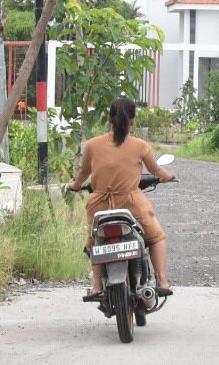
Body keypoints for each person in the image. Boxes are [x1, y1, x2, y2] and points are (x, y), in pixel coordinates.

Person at [67, 97, 176, 307]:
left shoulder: (91, 145)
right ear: (132, 121)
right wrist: (168, 176)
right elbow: (157, 171)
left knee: (94, 241)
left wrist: (74, 185)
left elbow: (83, 174)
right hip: (131, 204)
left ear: (109, 119)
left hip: (99, 204)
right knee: (156, 237)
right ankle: (162, 280)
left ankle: (97, 285)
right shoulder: (141, 146)